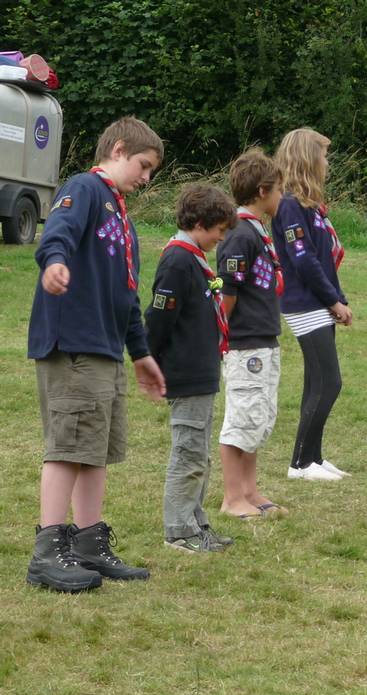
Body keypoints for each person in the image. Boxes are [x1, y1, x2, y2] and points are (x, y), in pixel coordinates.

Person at [26, 116, 164, 592]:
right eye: (144, 166)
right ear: (119, 149)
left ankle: (88, 543)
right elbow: (58, 230)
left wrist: (141, 354)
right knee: (68, 446)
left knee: (96, 450)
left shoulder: (121, 215)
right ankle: (47, 551)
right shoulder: (84, 188)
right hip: (75, 346)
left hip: (106, 350)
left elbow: (127, 294)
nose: (147, 178)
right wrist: (57, 260)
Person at [146, 185, 237, 552]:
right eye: (218, 230)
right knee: (187, 454)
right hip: (185, 375)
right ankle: (178, 530)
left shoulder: (193, 258)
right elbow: (158, 320)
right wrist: (151, 363)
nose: (221, 238)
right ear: (200, 223)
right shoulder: (178, 261)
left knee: (199, 454)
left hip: (202, 373)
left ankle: (196, 523)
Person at [272, 128, 353, 478]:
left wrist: (338, 297)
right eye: (322, 154)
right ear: (307, 158)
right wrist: (333, 300)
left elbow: (324, 257)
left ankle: (313, 458)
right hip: (303, 303)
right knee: (329, 382)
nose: (326, 161)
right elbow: (303, 261)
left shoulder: (309, 205)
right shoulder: (289, 205)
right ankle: (300, 463)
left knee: (317, 382)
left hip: (318, 301)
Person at [216, 149, 287, 517]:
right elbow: (227, 293)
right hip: (244, 343)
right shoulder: (239, 235)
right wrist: (220, 336)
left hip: (264, 338)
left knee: (257, 416)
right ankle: (232, 498)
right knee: (241, 417)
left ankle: (250, 490)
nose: (281, 196)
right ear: (262, 191)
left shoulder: (259, 231)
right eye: (278, 190)